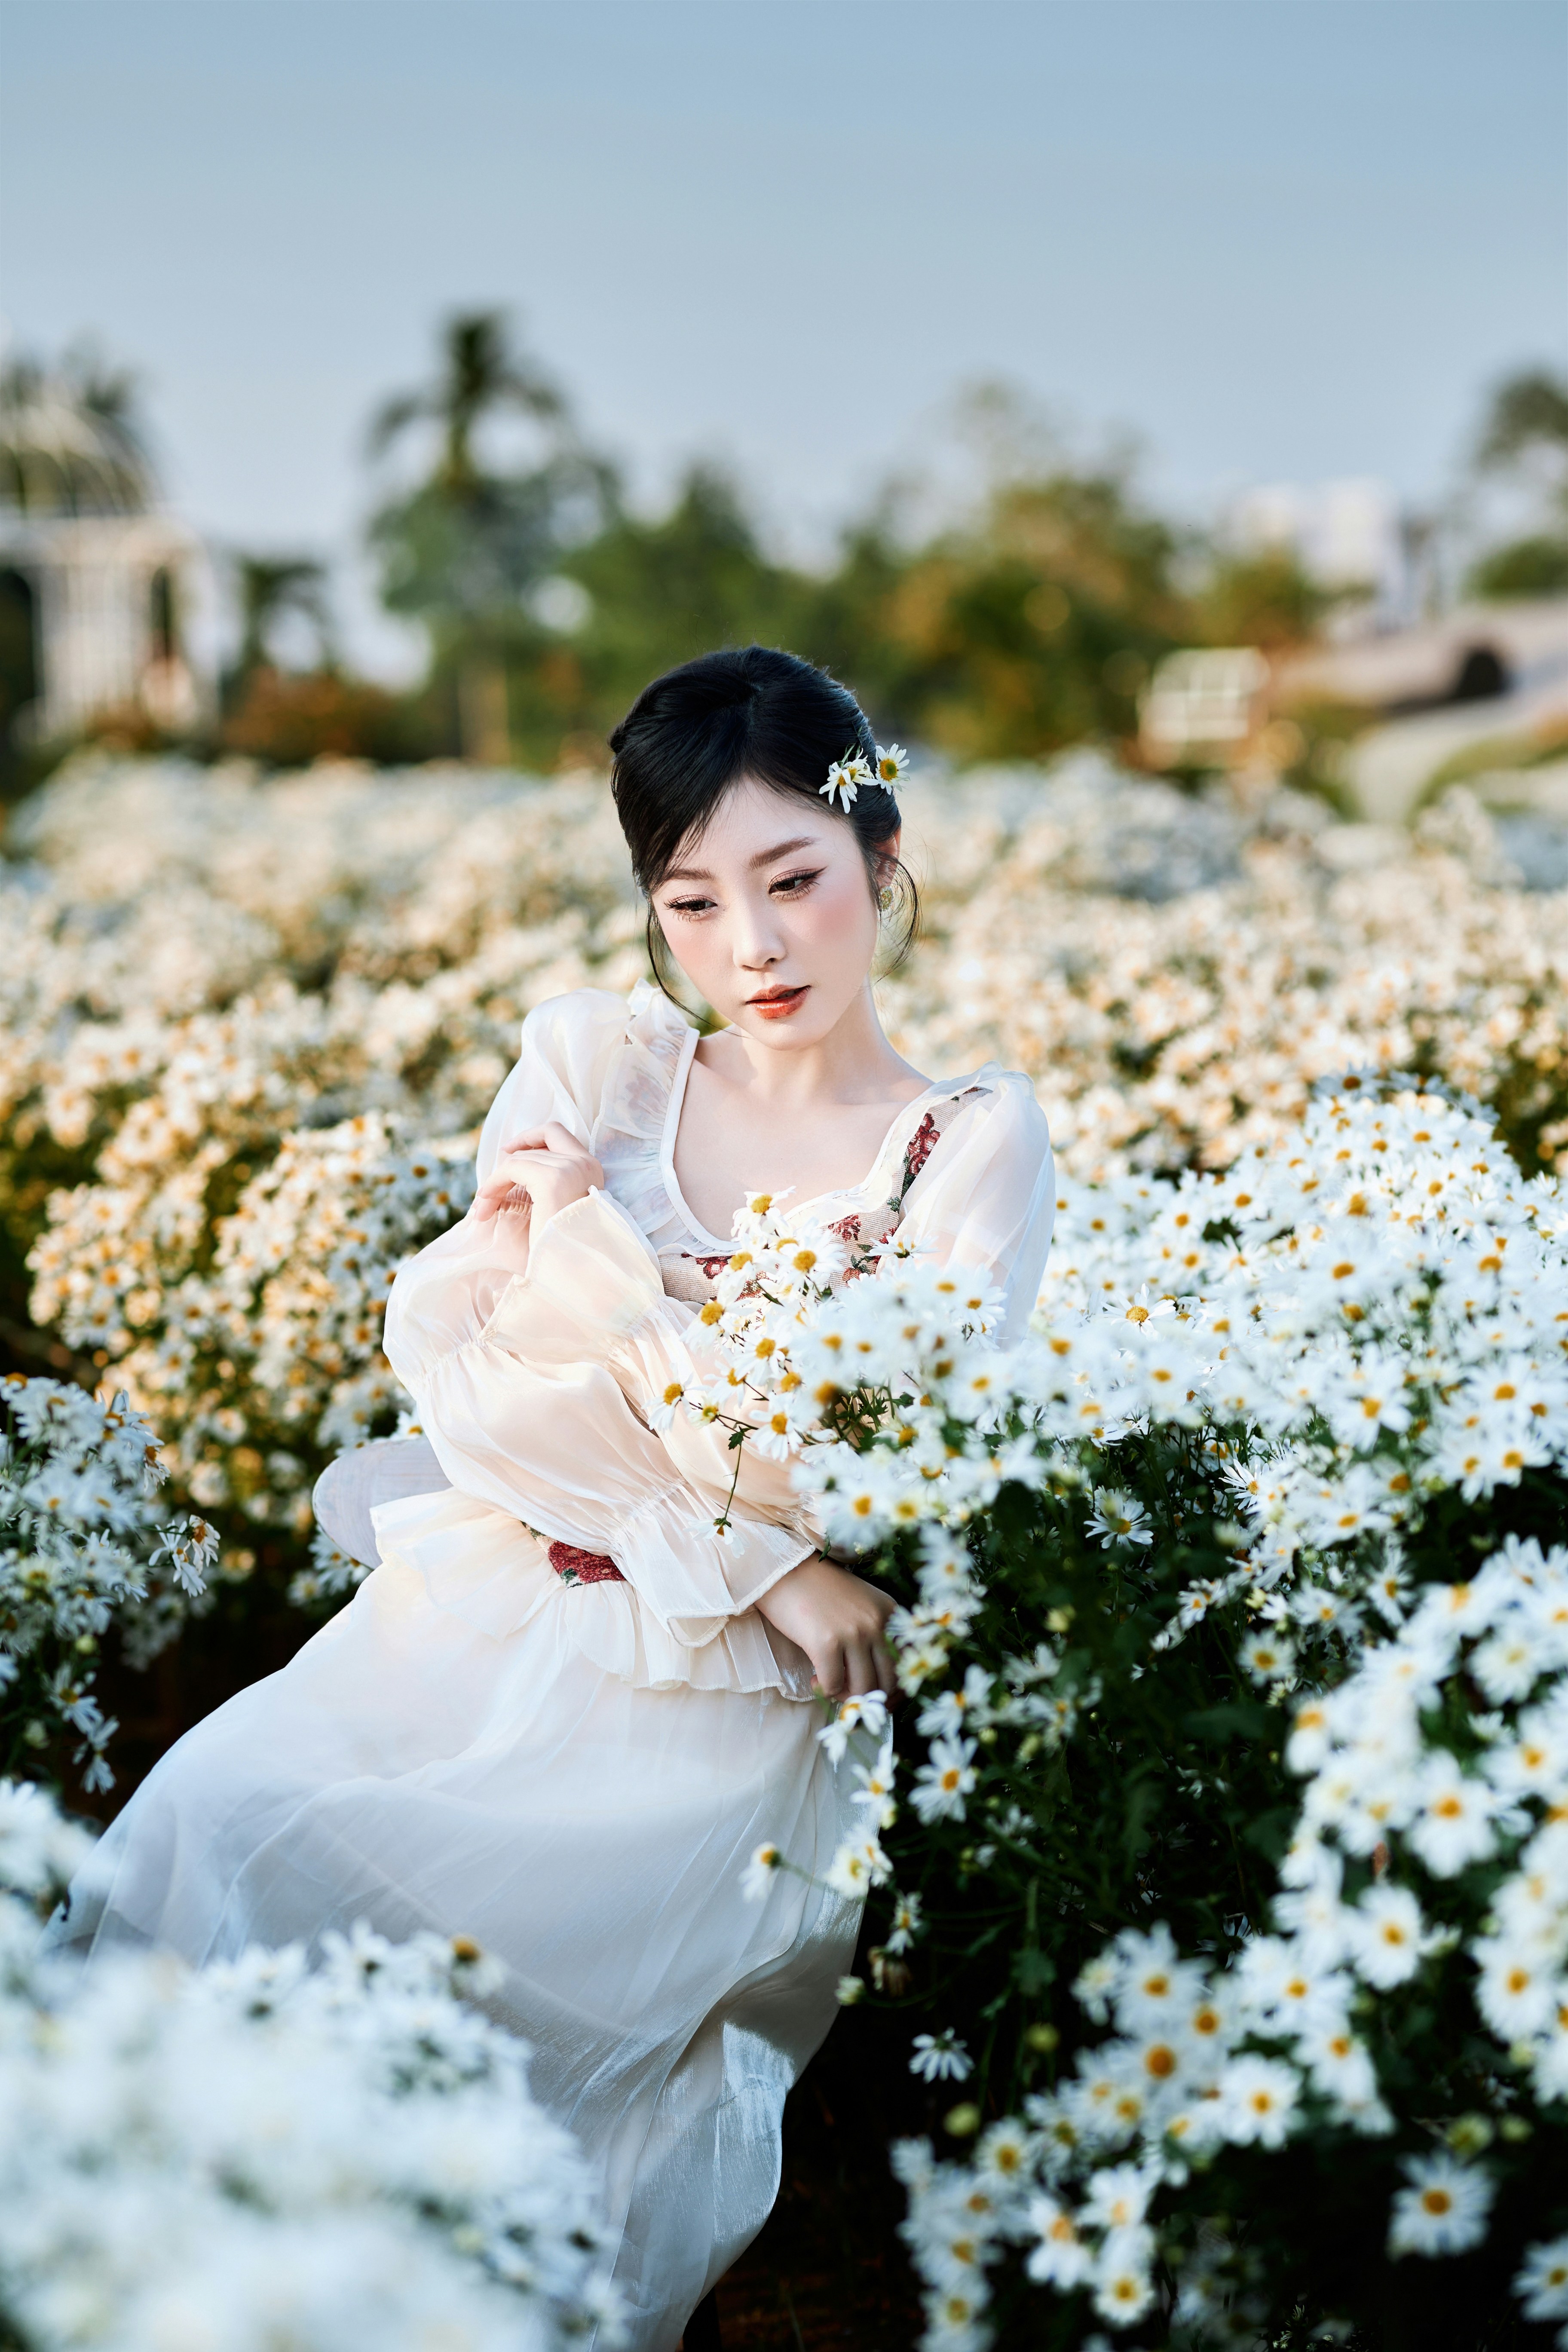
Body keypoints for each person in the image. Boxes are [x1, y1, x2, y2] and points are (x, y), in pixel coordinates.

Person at [50, 647, 1055, 2349]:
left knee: (542, 2100)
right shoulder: (600, 1074)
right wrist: (762, 1552)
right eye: (690, 903)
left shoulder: (963, 1144)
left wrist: (628, 1322)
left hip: (712, 1728)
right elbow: (487, 1379)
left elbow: (898, 1447)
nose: (751, 946)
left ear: (883, 863)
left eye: (795, 880)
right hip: (489, 1611)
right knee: (216, 1826)